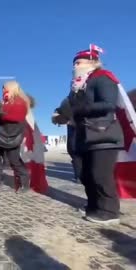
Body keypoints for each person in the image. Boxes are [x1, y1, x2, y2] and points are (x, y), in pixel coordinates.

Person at [66, 48, 123, 225]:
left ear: (92, 62)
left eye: (79, 62)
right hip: (83, 135)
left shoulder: (103, 77)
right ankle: (93, 205)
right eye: (74, 62)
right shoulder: (77, 85)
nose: (75, 65)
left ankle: (109, 211)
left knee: (100, 175)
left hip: (102, 133)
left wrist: (79, 109)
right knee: (85, 174)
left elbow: (108, 104)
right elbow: (68, 107)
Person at [0, 81, 30, 193]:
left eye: (4, 88)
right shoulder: (4, 102)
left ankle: (24, 183)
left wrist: (0, 114)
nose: (3, 90)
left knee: (14, 161)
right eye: (2, 88)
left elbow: (16, 117)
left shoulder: (20, 102)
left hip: (13, 136)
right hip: (0, 134)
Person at [52, 97, 82, 182]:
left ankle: (80, 175)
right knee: (74, 152)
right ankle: (79, 175)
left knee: (77, 153)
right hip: (75, 133)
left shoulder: (87, 97)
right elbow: (57, 114)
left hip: (83, 132)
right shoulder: (68, 100)